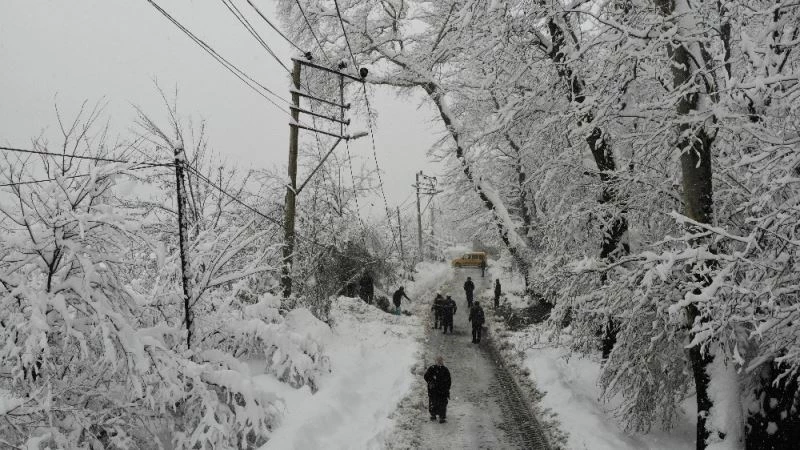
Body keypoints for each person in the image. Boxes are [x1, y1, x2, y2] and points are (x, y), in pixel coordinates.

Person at [424, 356, 451, 423]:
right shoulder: (432, 368)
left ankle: (442, 417)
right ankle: (433, 415)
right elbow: (426, 376)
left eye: (440, 361)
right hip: (433, 391)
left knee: (442, 404)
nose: (439, 362)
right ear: (435, 361)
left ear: (442, 362)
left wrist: (446, 388)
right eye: (438, 361)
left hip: (442, 391)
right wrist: (431, 382)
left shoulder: (445, 370)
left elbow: (449, 381)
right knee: (433, 403)